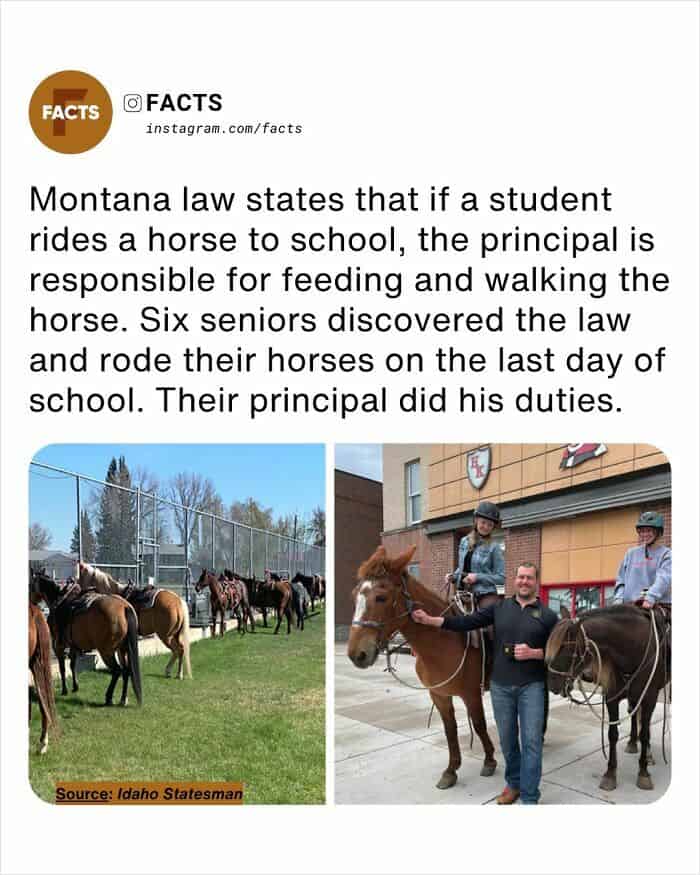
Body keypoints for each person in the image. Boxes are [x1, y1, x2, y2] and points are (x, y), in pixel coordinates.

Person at [413, 563, 557, 805]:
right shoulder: (500, 609)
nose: (524, 582)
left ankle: (530, 795)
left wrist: (535, 653)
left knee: (531, 742)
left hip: (531, 686)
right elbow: (464, 624)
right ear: (515, 580)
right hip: (501, 686)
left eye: (529, 578)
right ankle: (513, 785)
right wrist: (430, 620)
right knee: (508, 741)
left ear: (536, 582)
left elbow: (558, 651)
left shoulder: (547, 615)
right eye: (520, 577)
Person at [447, 501, 504, 610]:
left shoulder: (494, 547)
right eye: (483, 522)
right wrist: (453, 576)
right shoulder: (464, 541)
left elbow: (501, 578)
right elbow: (462, 567)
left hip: (485, 594)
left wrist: (477, 577)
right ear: (476, 520)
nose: (486, 527)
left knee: (486, 622)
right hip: (463, 592)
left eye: (490, 525)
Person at [614, 511, 671, 609]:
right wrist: (618, 599)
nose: (645, 534)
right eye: (642, 531)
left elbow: (663, 579)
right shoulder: (631, 553)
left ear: (658, 532)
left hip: (656, 605)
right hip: (630, 606)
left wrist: (650, 597)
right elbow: (621, 579)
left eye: (649, 530)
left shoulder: (667, 554)